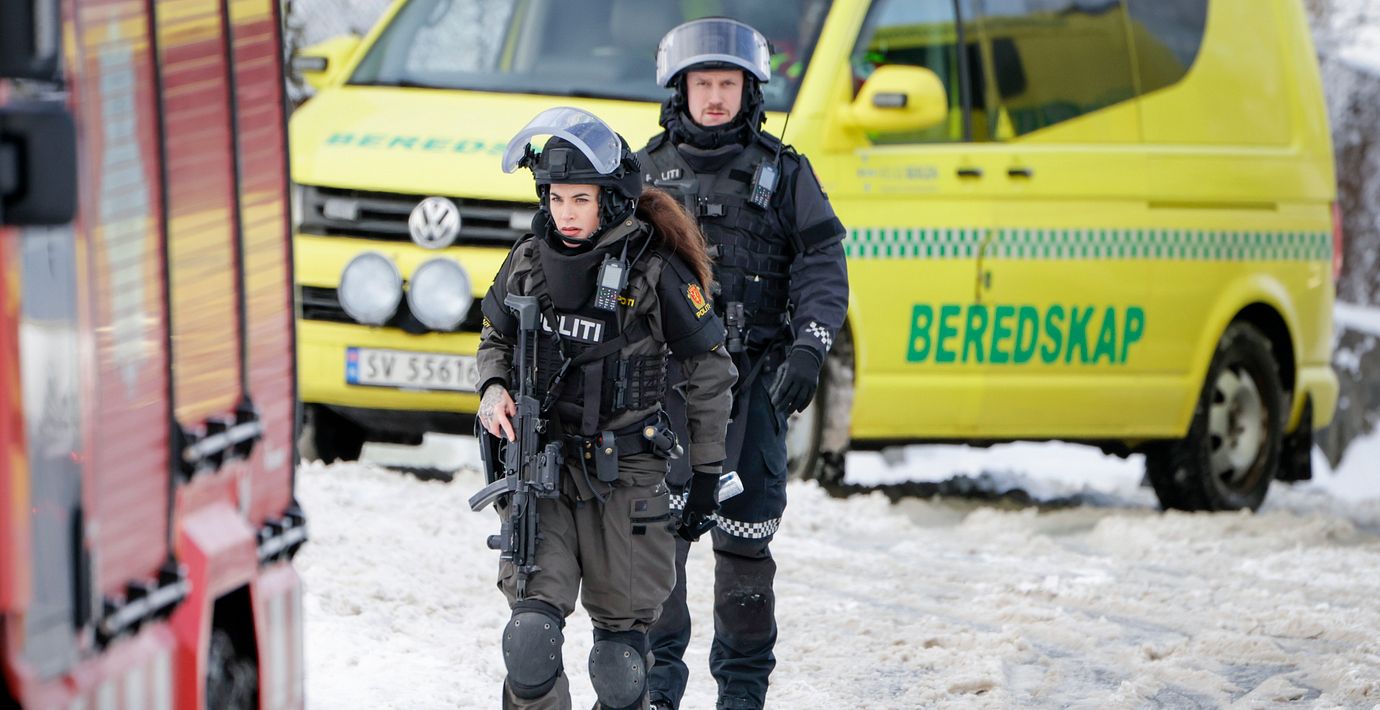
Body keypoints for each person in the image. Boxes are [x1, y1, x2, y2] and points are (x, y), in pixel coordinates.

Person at [476, 107, 737, 710]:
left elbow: (710, 371)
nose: (566, 213)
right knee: (530, 639)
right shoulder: (527, 261)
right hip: (541, 472)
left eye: (581, 200)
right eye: (557, 198)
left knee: (621, 667)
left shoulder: (654, 269)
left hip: (627, 478)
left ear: (612, 200)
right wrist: (493, 388)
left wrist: (705, 473)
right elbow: (493, 337)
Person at [635, 18, 850, 710]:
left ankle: (742, 694)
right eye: (703, 83)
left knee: (746, 552)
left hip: (753, 385)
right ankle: (656, 688)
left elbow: (823, 263)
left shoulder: (785, 173)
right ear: (680, 90)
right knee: (656, 547)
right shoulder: (641, 174)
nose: (715, 97)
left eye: (727, 83)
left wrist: (809, 346)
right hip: (664, 392)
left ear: (749, 90)